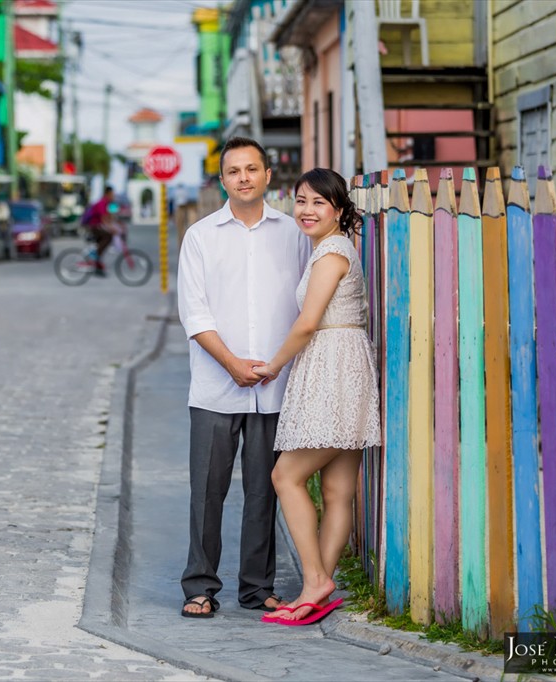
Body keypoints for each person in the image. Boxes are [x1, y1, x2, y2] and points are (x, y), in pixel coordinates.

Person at [177, 136, 311, 618]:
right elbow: (194, 314)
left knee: (264, 490)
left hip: (276, 386)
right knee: (207, 491)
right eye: (234, 171)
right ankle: (200, 586)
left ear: (268, 175)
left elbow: (305, 304)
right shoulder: (201, 236)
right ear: (223, 180)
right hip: (215, 387)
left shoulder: (294, 234)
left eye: (252, 169)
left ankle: (257, 588)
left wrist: (274, 364)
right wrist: (232, 362)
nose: (244, 178)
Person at [252, 168, 382, 626]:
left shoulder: (330, 254)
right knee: (337, 489)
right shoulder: (333, 249)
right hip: (344, 362)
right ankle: (319, 588)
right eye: (301, 201)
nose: (306, 211)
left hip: (332, 367)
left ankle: (314, 580)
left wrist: (272, 366)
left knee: (286, 476)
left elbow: (307, 323)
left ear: (339, 211)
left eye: (318, 203)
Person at [82, 186, 118, 276]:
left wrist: (117, 225)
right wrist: (112, 228)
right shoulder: (101, 203)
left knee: (104, 241)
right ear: (107, 194)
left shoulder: (108, 203)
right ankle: (96, 255)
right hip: (92, 226)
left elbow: (110, 217)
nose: (114, 196)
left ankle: (97, 265)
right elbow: (104, 219)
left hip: (97, 226)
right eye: (112, 195)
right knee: (108, 236)